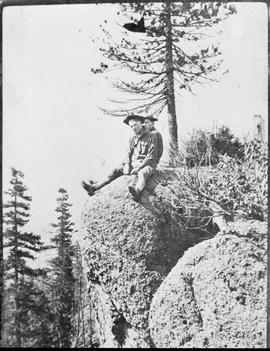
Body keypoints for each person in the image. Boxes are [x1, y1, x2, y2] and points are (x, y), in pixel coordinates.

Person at [81, 115, 159, 201]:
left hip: (147, 164)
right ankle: (94, 187)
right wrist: (127, 164)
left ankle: (137, 191)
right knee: (115, 170)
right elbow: (129, 152)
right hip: (135, 162)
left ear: (141, 123)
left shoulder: (151, 136)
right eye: (131, 126)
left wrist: (139, 168)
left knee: (142, 173)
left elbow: (150, 156)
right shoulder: (133, 137)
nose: (133, 128)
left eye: (135, 125)